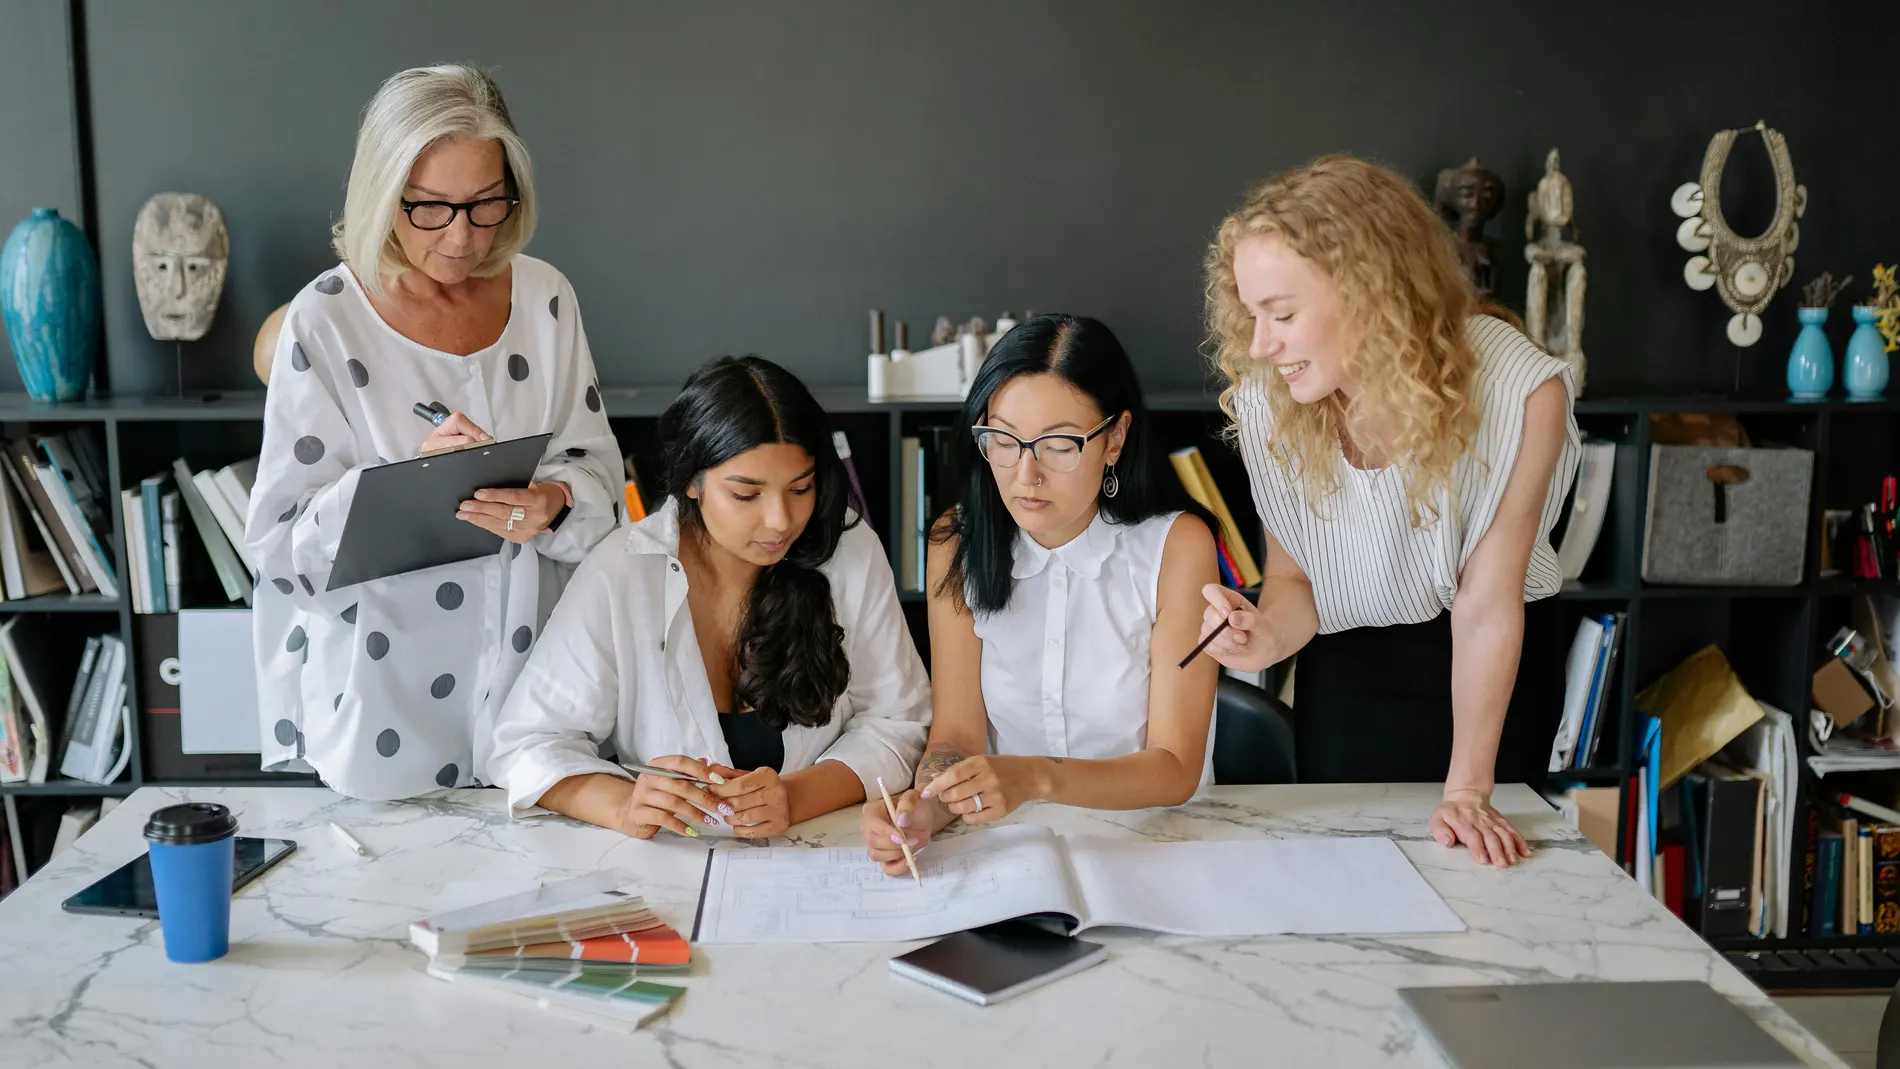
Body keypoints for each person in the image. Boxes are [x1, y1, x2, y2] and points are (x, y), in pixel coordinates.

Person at [246, 65, 621, 800]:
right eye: (431, 209)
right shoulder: (325, 319)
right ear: (383, 194)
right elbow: (282, 542)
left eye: (486, 205)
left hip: (538, 687)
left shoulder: (546, 297)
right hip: (385, 703)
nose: (463, 237)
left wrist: (551, 501)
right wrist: (400, 488)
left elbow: (601, 479)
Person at [1198, 155, 1581, 867]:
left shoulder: (1520, 391)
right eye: (1252, 315)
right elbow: (1295, 586)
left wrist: (1467, 788)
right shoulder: (1268, 400)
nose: (1258, 344)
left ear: (1371, 292)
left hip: (1492, 674)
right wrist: (1262, 638)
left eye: (1281, 314)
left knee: (1483, 894)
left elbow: (1488, 603)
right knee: (1350, 895)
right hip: (1348, 672)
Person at [488, 356, 931, 839]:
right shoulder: (626, 569)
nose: (781, 520)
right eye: (747, 494)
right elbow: (526, 744)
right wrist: (624, 806)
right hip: (671, 873)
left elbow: (900, 722)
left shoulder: (847, 550)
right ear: (692, 483)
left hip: (822, 860)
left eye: (800, 488)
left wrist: (795, 797)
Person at [861, 315, 1220, 876]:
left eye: (1058, 445)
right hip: (1014, 846)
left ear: (1115, 438)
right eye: (1002, 441)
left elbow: (1174, 768)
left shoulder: (1175, 546)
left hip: (1157, 844)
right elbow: (957, 733)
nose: (1025, 474)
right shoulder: (955, 542)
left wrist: (1032, 777)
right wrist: (925, 810)